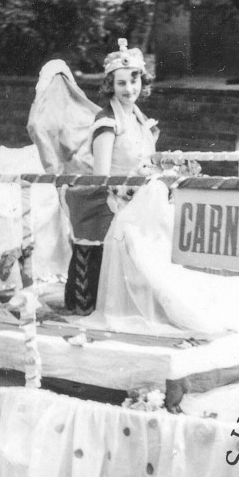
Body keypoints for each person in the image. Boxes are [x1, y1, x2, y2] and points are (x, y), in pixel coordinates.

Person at [63, 38, 159, 313]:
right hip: (115, 204)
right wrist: (130, 188)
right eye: (121, 83)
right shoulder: (107, 122)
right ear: (110, 86)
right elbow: (102, 178)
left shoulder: (141, 121)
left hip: (139, 202)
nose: (130, 89)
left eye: (134, 80)